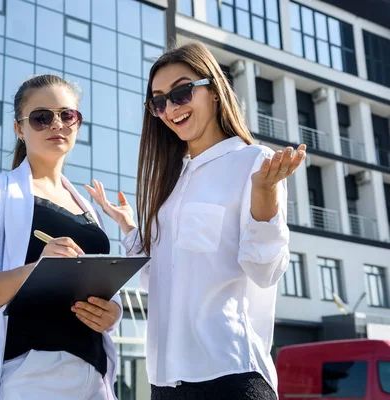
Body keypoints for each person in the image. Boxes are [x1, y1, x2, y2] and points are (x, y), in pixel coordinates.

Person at [86, 42, 307, 400]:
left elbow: (264, 271)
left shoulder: (253, 162)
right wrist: (129, 228)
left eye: (182, 91)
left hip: (230, 376)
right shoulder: (169, 182)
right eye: (159, 102)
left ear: (215, 92)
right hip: (163, 382)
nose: (171, 108)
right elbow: (155, 279)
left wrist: (264, 194)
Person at [0, 74, 122, 400]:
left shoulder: (88, 207)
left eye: (67, 115)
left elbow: (99, 288)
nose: (56, 124)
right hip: (31, 375)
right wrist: (38, 269)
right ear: (20, 128)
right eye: (41, 117)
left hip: (95, 376)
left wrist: (111, 313)